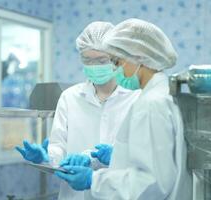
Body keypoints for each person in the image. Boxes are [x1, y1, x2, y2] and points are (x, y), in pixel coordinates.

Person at [55, 18, 193, 200]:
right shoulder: (162, 94)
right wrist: (119, 156)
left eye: (117, 62)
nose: (115, 69)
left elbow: (151, 183)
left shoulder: (151, 104)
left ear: (138, 58)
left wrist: (93, 180)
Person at [16, 21, 141, 200]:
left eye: (101, 60)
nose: (94, 66)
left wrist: (116, 157)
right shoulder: (70, 97)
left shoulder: (135, 99)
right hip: (74, 195)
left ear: (117, 59)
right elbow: (59, 146)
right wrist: (45, 157)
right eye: (88, 60)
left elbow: (144, 158)